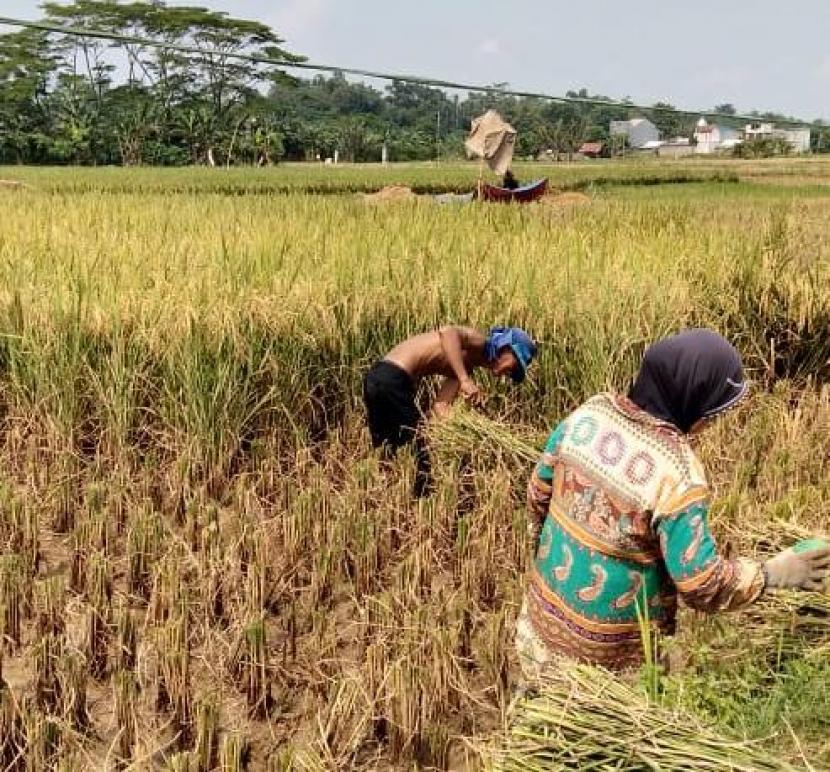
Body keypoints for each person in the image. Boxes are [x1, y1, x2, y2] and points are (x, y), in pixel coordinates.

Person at [516, 328, 830, 681]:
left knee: (534, 726)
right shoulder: (676, 472)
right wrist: (772, 574)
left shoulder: (590, 414)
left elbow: (537, 495)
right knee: (606, 738)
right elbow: (701, 581)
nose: (708, 425)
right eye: (712, 414)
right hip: (607, 675)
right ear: (693, 400)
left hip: (537, 634)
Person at [363, 326, 537, 497]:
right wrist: (464, 380)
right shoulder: (479, 342)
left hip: (381, 380)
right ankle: (418, 501)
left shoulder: (465, 367)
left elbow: (440, 407)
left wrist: (470, 427)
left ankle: (383, 496)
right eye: (515, 365)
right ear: (506, 348)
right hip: (391, 377)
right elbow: (448, 332)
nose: (510, 372)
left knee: (388, 446)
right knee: (417, 452)